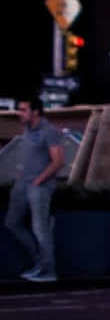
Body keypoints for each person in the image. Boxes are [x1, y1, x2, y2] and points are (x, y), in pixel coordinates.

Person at [7, 97, 64, 282]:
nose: (20, 113)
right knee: (12, 223)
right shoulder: (26, 130)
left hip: (39, 186)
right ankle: (38, 262)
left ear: (36, 112)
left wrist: (38, 181)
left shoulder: (49, 132)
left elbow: (58, 162)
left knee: (40, 228)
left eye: (23, 110)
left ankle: (48, 271)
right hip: (22, 184)